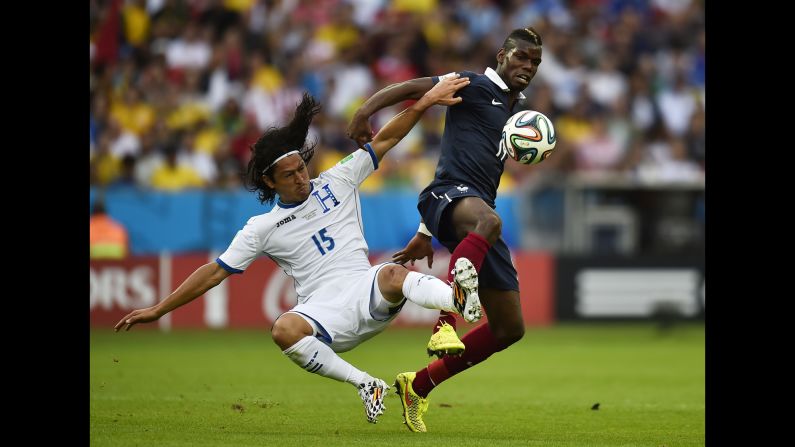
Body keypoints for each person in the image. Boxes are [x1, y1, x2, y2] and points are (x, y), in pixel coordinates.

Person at [114, 75, 482, 424]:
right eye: (289, 175)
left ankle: (458, 299)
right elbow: (214, 271)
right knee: (283, 329)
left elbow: (386, 139)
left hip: (364, 288)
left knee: (391, 272)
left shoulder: (337, 180)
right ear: (269, 181)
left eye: (301, 169)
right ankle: (367, 385)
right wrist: (159, 309)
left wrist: (426, 102)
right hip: (323, 312)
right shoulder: (262, 228)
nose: (301, 177)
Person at [347, 27, 543, 432]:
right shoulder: (471, 84)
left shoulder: (516, 108)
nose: (529, 66)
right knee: (491, 220)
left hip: (469, 213)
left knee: (510, 329)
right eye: (522, 57)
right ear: (502, 54)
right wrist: (365, 111)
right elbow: (411, 87)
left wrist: (424, 232)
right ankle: (444, 323)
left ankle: (417, 385)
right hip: (446, 196)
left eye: (535, 62)